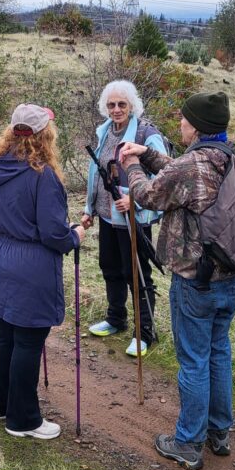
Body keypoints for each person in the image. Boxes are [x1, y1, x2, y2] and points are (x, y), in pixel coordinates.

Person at [118, 91, 235, 470]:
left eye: (185, 120)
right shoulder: (230, 158)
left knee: (193, 360)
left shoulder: (191, 166)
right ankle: (219, 432)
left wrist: (134, 165)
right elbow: (179, 172)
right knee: (218, 352)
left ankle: (188, 442)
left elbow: (150, 195)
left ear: (198, 126)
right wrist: (149, 154)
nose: (181, 124)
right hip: (229, 278)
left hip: (194, 279)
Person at [0, 104, 84, 440]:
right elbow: (54, 234)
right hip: (31, 264)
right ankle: (23, 419)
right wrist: (75, 235)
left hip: (0, 255)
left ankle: (1, 405)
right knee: (28, 340)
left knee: (5, 334)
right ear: (46, 134)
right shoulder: (43, 175)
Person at [82, 80, 167, 356]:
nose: (116, 110)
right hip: (108, 217)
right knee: (110, 268)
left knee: (137, 274)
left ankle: (144, 333)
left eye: (121, 104)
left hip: (133, 220)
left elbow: (165, 178)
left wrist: (136, 199)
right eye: (111, 105)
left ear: (132, 106)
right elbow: (97, 174)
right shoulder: (105, 132)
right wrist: (89, 208)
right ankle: (115, 318)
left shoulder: (146, 134)